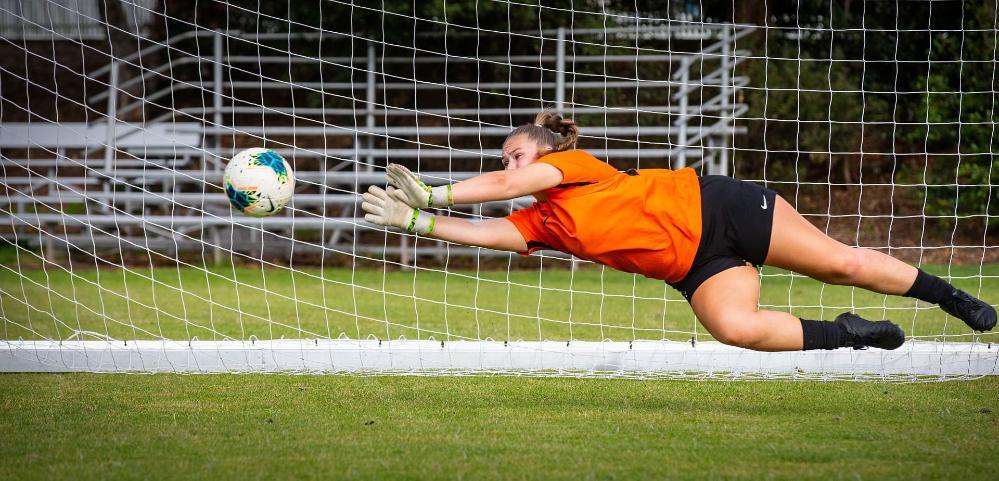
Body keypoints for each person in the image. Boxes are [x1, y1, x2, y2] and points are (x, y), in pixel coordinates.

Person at [360, 111, 996, 352]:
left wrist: (436, 189)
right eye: (503, 159)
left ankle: (950, 298)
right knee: (734, 328)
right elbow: (492, 233)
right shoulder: (542, 223)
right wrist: (421, 221)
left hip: (717, 208)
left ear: (545, 151)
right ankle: (852, 335)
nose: (508, 166)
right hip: (696, 266)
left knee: (841, 265)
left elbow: (499, 189)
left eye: (515, 155)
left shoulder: (572, 168)